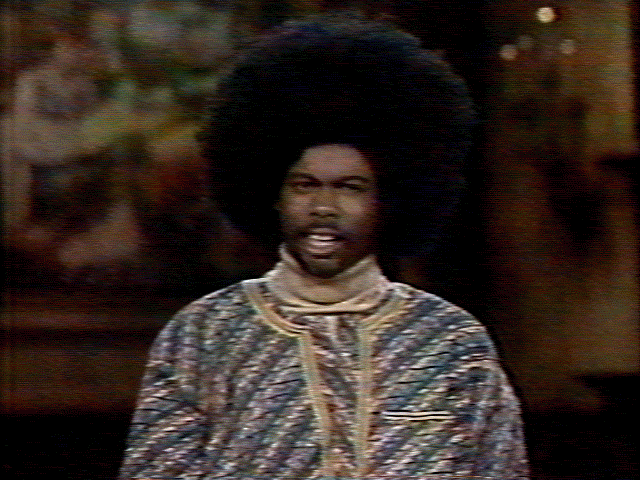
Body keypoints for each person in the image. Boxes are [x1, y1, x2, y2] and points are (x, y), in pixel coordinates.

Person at [119, 16, 529, 480]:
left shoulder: (449, 341)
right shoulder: (205, 335)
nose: (324, 208)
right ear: (271, 194)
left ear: (388, 200)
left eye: (350, 187)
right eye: (305, 185)